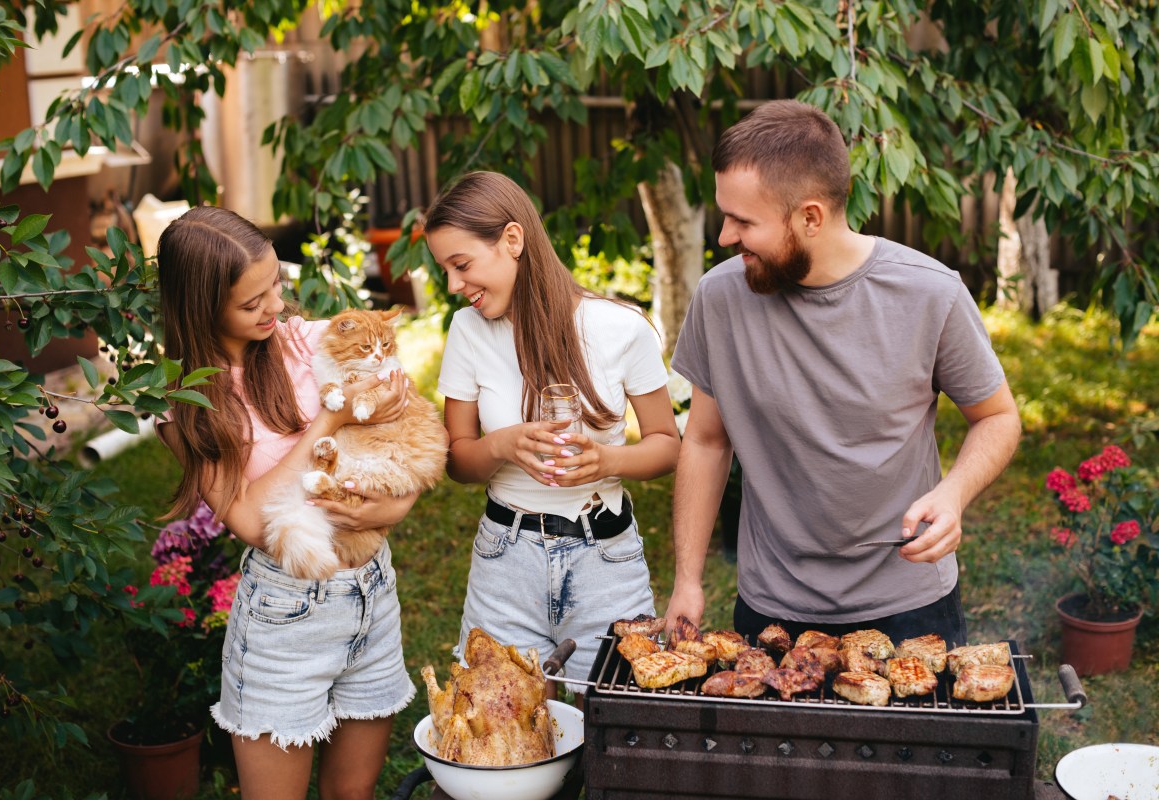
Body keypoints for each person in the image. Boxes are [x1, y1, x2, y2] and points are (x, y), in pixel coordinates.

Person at [666, 100, 1021, 648]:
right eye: (725, 215)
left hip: (909, 606)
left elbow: (997, 417)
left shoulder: (931, 293)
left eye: (743, 221)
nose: (724, 237)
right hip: (771, 608)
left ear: (810, 216)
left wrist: (953, 494)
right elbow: (707, 442)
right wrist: (687, 580)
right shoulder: (721, 297)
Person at [155, 205, 418, 800]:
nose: (275, 306)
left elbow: (395, 413)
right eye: (253, 303)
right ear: (203, 308)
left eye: (275, 283)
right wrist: (329, 416)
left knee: (352, 794)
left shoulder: (301, 339)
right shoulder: (191, 401)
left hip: (372, 591)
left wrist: (392, 510)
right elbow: (250, 518)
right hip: (285, 614)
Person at [424, 171, 680, 694]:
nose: (453, 285)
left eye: (462, 264)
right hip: (506, 561)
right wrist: (500, 445)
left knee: (615, 731)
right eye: (445, 269)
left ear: (512, 240)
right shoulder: (468, 332)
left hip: (605, 561)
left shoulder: (620, 327)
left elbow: (667, 445)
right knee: (500, 733)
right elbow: (458, 463)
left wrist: (606, 462)